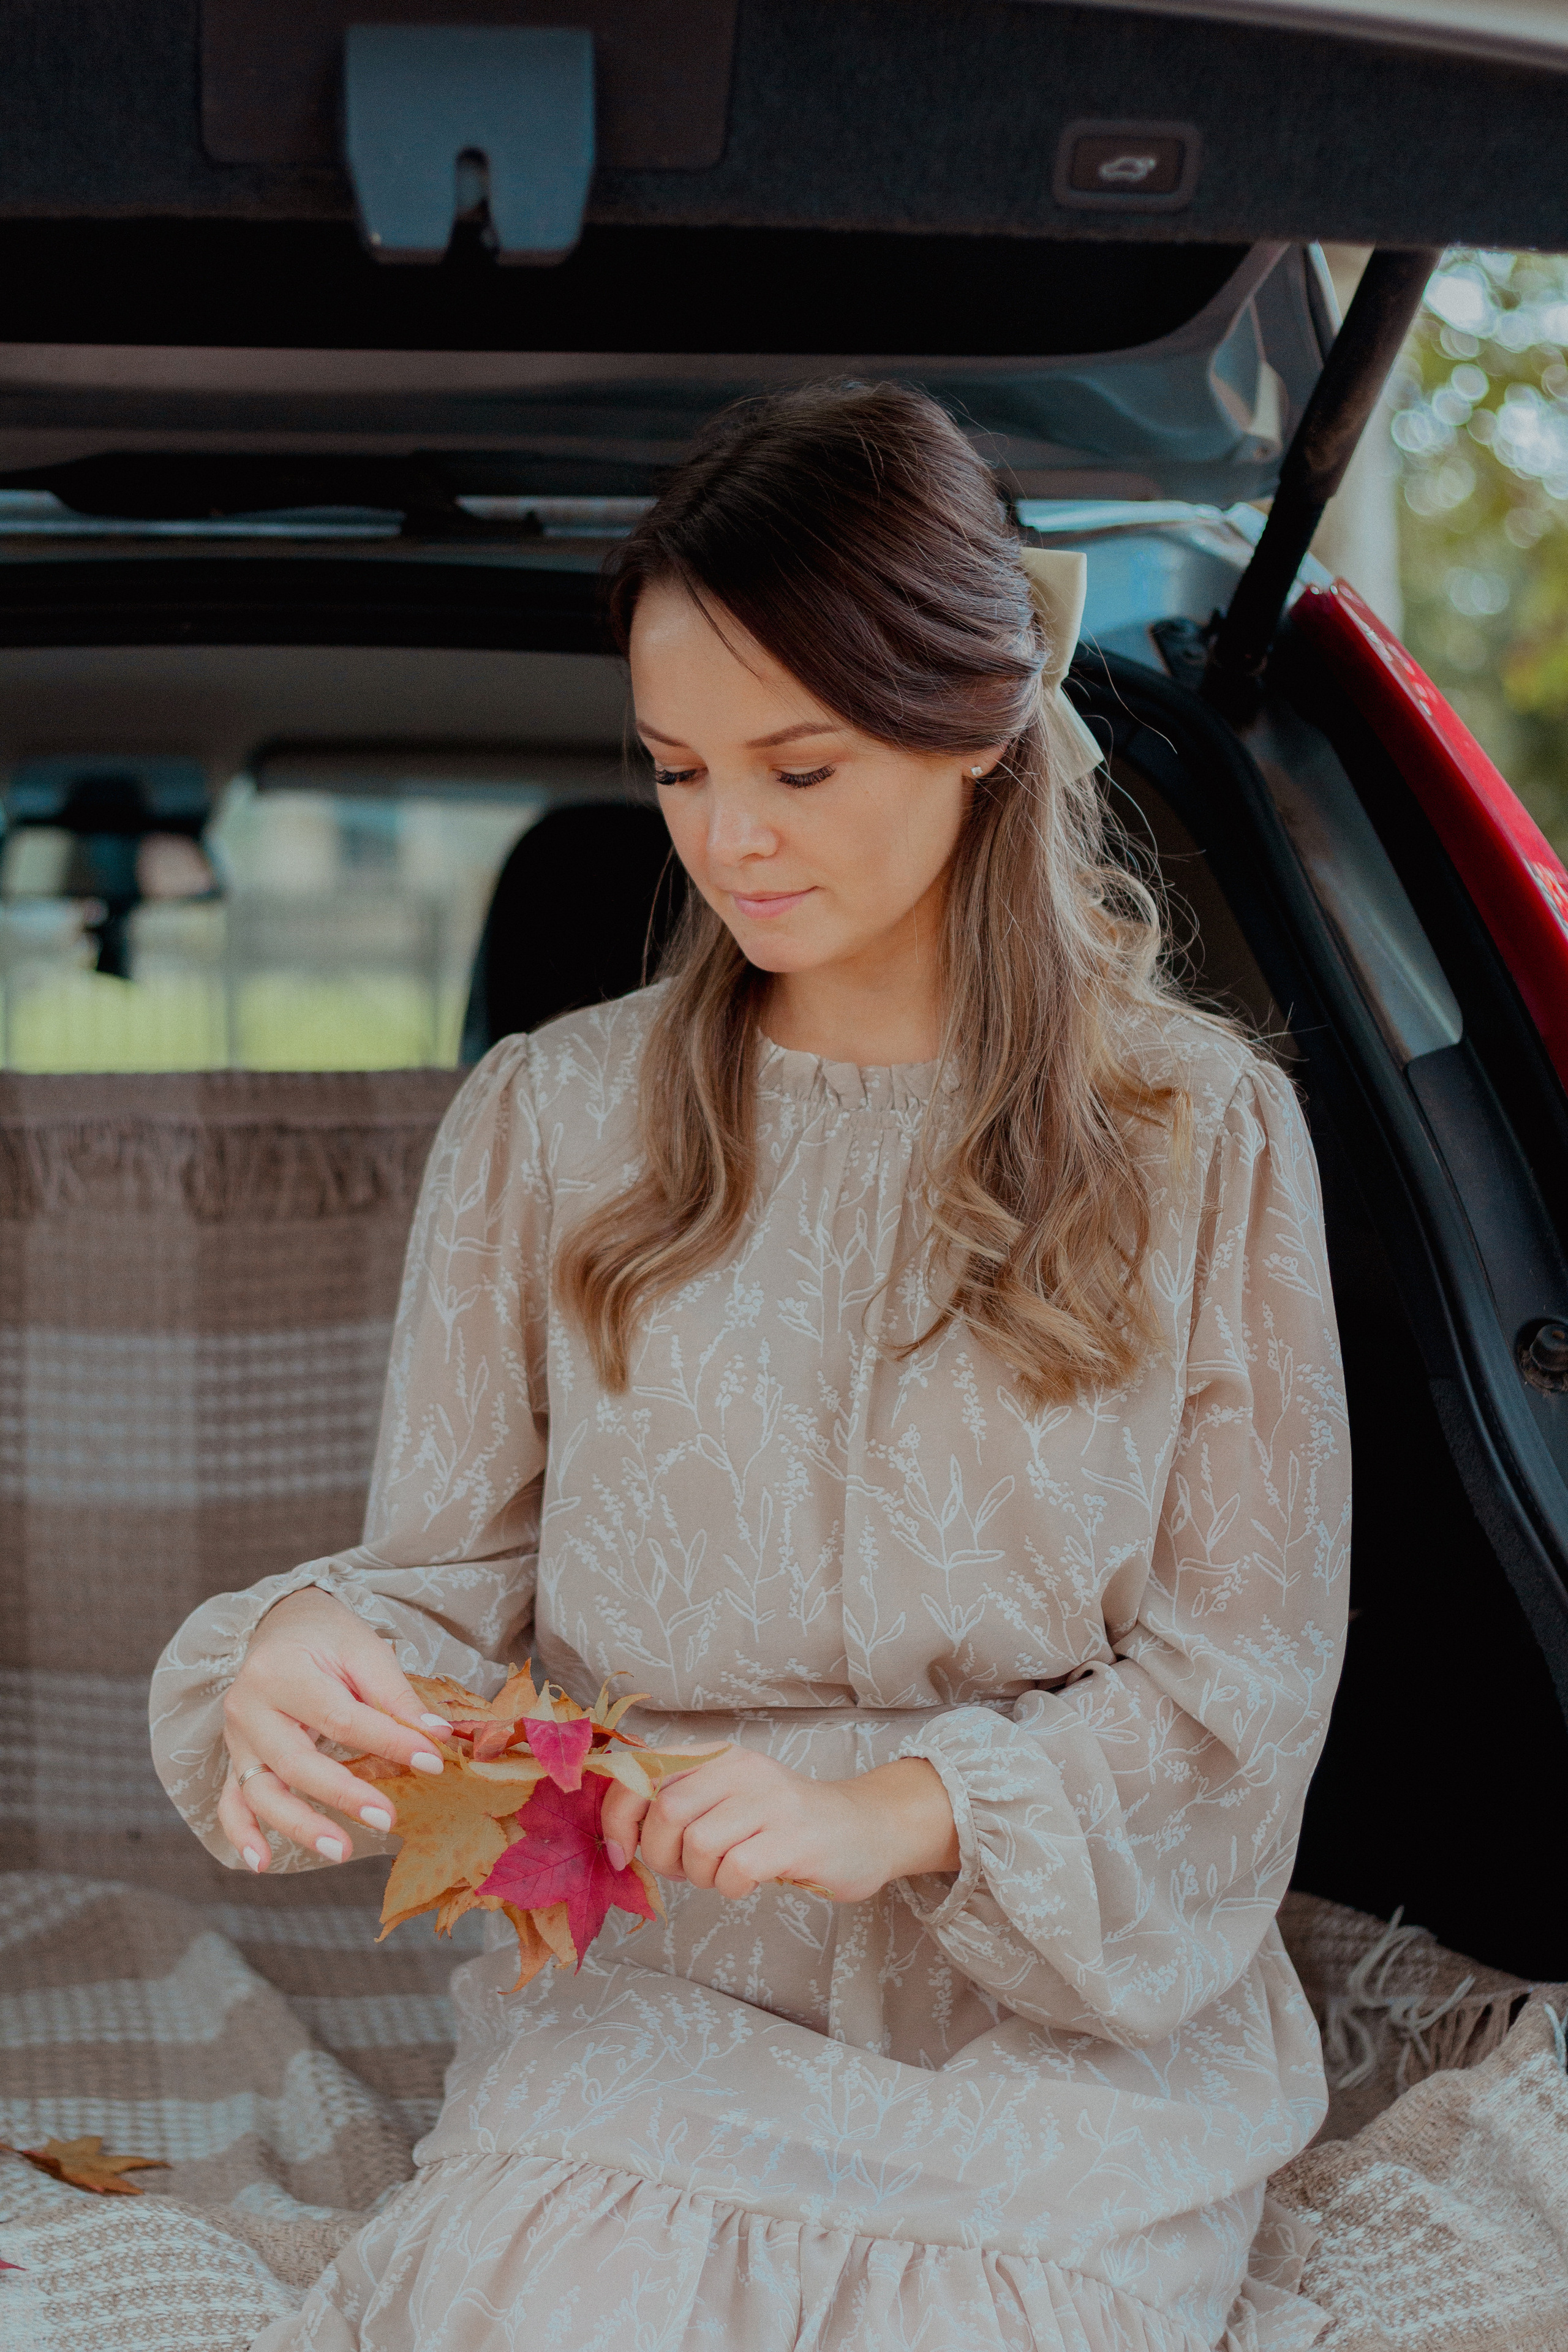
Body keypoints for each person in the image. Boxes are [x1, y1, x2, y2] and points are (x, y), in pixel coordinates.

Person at [151, 382, 1349, 2352]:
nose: (728, 840)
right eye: (681, 768)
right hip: (650, 1982)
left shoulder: (1201, 1140)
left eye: (798, 765)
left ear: (977, 726)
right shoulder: (548, 1122)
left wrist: (902, 1810)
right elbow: (444, 1599)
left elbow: (1247, 1670)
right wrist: (300, 1654)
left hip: (1060, 2005)